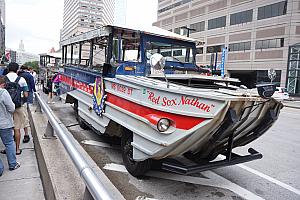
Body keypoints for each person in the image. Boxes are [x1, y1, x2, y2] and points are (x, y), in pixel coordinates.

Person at [5, 62, 29, 155]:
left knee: (7, 129)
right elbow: (26, 94)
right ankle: (17, 149)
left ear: (8, 69)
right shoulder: (21, 79)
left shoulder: (3, 78)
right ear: (17, 69)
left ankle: (8, 149)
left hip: (5, 107)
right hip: (18, 106)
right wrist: (21, 101)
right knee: (17, 128)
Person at [0, 75, 20, 176]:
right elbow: (11, 108)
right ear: (2, 84)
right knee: (9, 143)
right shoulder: (3, 93)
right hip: (4, 123)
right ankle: (12, 164)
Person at [18, 65, 36, 143]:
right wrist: (34, 90)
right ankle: (26, 134)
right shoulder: (29, 75)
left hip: (18, 96)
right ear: (27, 69)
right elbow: (32, 84)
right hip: (27, 93)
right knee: (27, 109)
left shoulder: (19, 75)